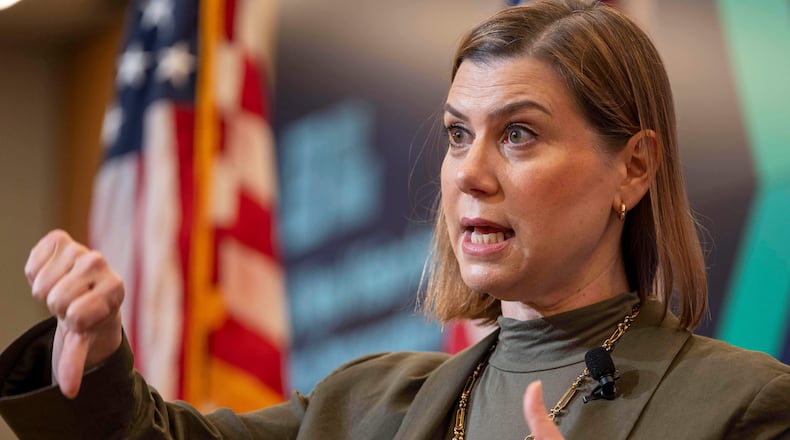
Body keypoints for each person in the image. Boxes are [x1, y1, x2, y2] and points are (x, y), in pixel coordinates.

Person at [1, 0, 789, 438]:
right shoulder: (363, 407)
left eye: (518, 134)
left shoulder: (741, 405)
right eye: (456, 135)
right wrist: (100, 355)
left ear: (635, 166)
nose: (470, 173)